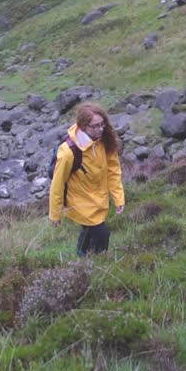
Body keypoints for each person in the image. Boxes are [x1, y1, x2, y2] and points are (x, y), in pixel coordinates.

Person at [49, 102, 124, 256]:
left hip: (98, 198)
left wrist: (118, 198)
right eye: (95, 126)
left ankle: (81, 258)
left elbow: (113, 170)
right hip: (79, 201)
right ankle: (97, 263)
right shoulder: (68, 152)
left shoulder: (104, 140)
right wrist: (55, 213)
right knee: (102, 233)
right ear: (83, 126)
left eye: (102, 124)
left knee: (90, 229)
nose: (101, 129)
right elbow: (57, 184)